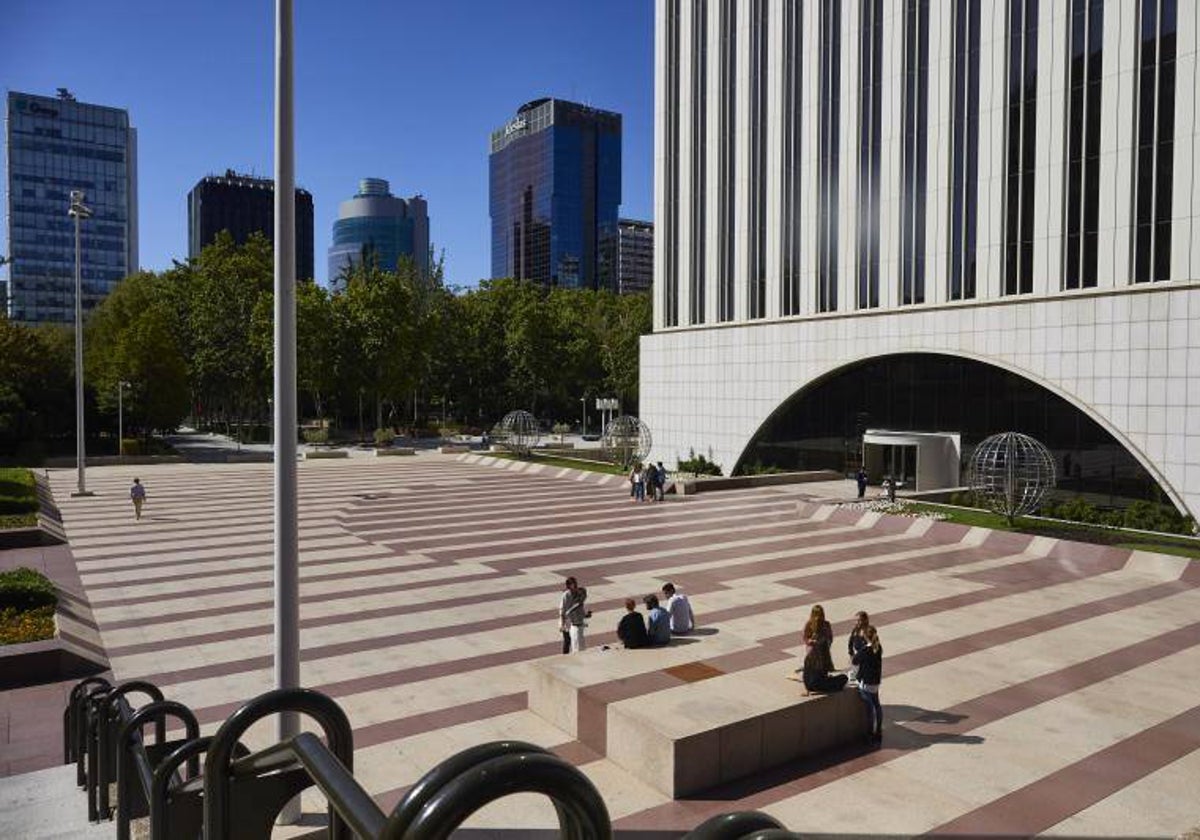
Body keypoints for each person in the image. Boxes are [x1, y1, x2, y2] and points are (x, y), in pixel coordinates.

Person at [800, 604, 845, 694]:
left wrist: (824, 640)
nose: (818, 617)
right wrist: (810, 640)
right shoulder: (809, 624)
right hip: (813, 651)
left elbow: (830, 638)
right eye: (816, 614)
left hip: (823, 651)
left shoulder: (826, 624)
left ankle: (824, 677)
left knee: (823, 667)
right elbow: (805, 637)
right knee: (813, 668)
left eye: (820, 614)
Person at [851, 625, 884, 743]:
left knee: (870, 710)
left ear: (865, 636)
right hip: (876, 682)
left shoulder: (865, 650)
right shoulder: (878, 648)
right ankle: (878, 731)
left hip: (866, 684)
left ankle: (869, 734)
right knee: (877, 706)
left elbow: (854, 660)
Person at [559, 577, 589, 653]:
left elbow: (579, 603)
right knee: (567, 640)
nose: (575, 587)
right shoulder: (565, 595)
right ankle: (565, 656)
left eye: (576, 584)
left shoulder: (581, 592)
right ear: (568, 587)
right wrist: (562, 625)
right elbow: (562, 611)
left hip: (576, 619)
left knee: (576, 639)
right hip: (567, 620)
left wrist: (585, 615)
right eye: (573, 585)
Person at [847, 610, 870, 682]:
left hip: (864, 657)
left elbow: (869, 646)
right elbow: (850, 641)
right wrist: (850, 652)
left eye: (859, 620)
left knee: (861, 675)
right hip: (856, 654)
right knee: (854, 673)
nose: (857, 622)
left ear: (865, 621)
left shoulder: (868, 631)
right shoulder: (855, 630)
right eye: (856, 621)